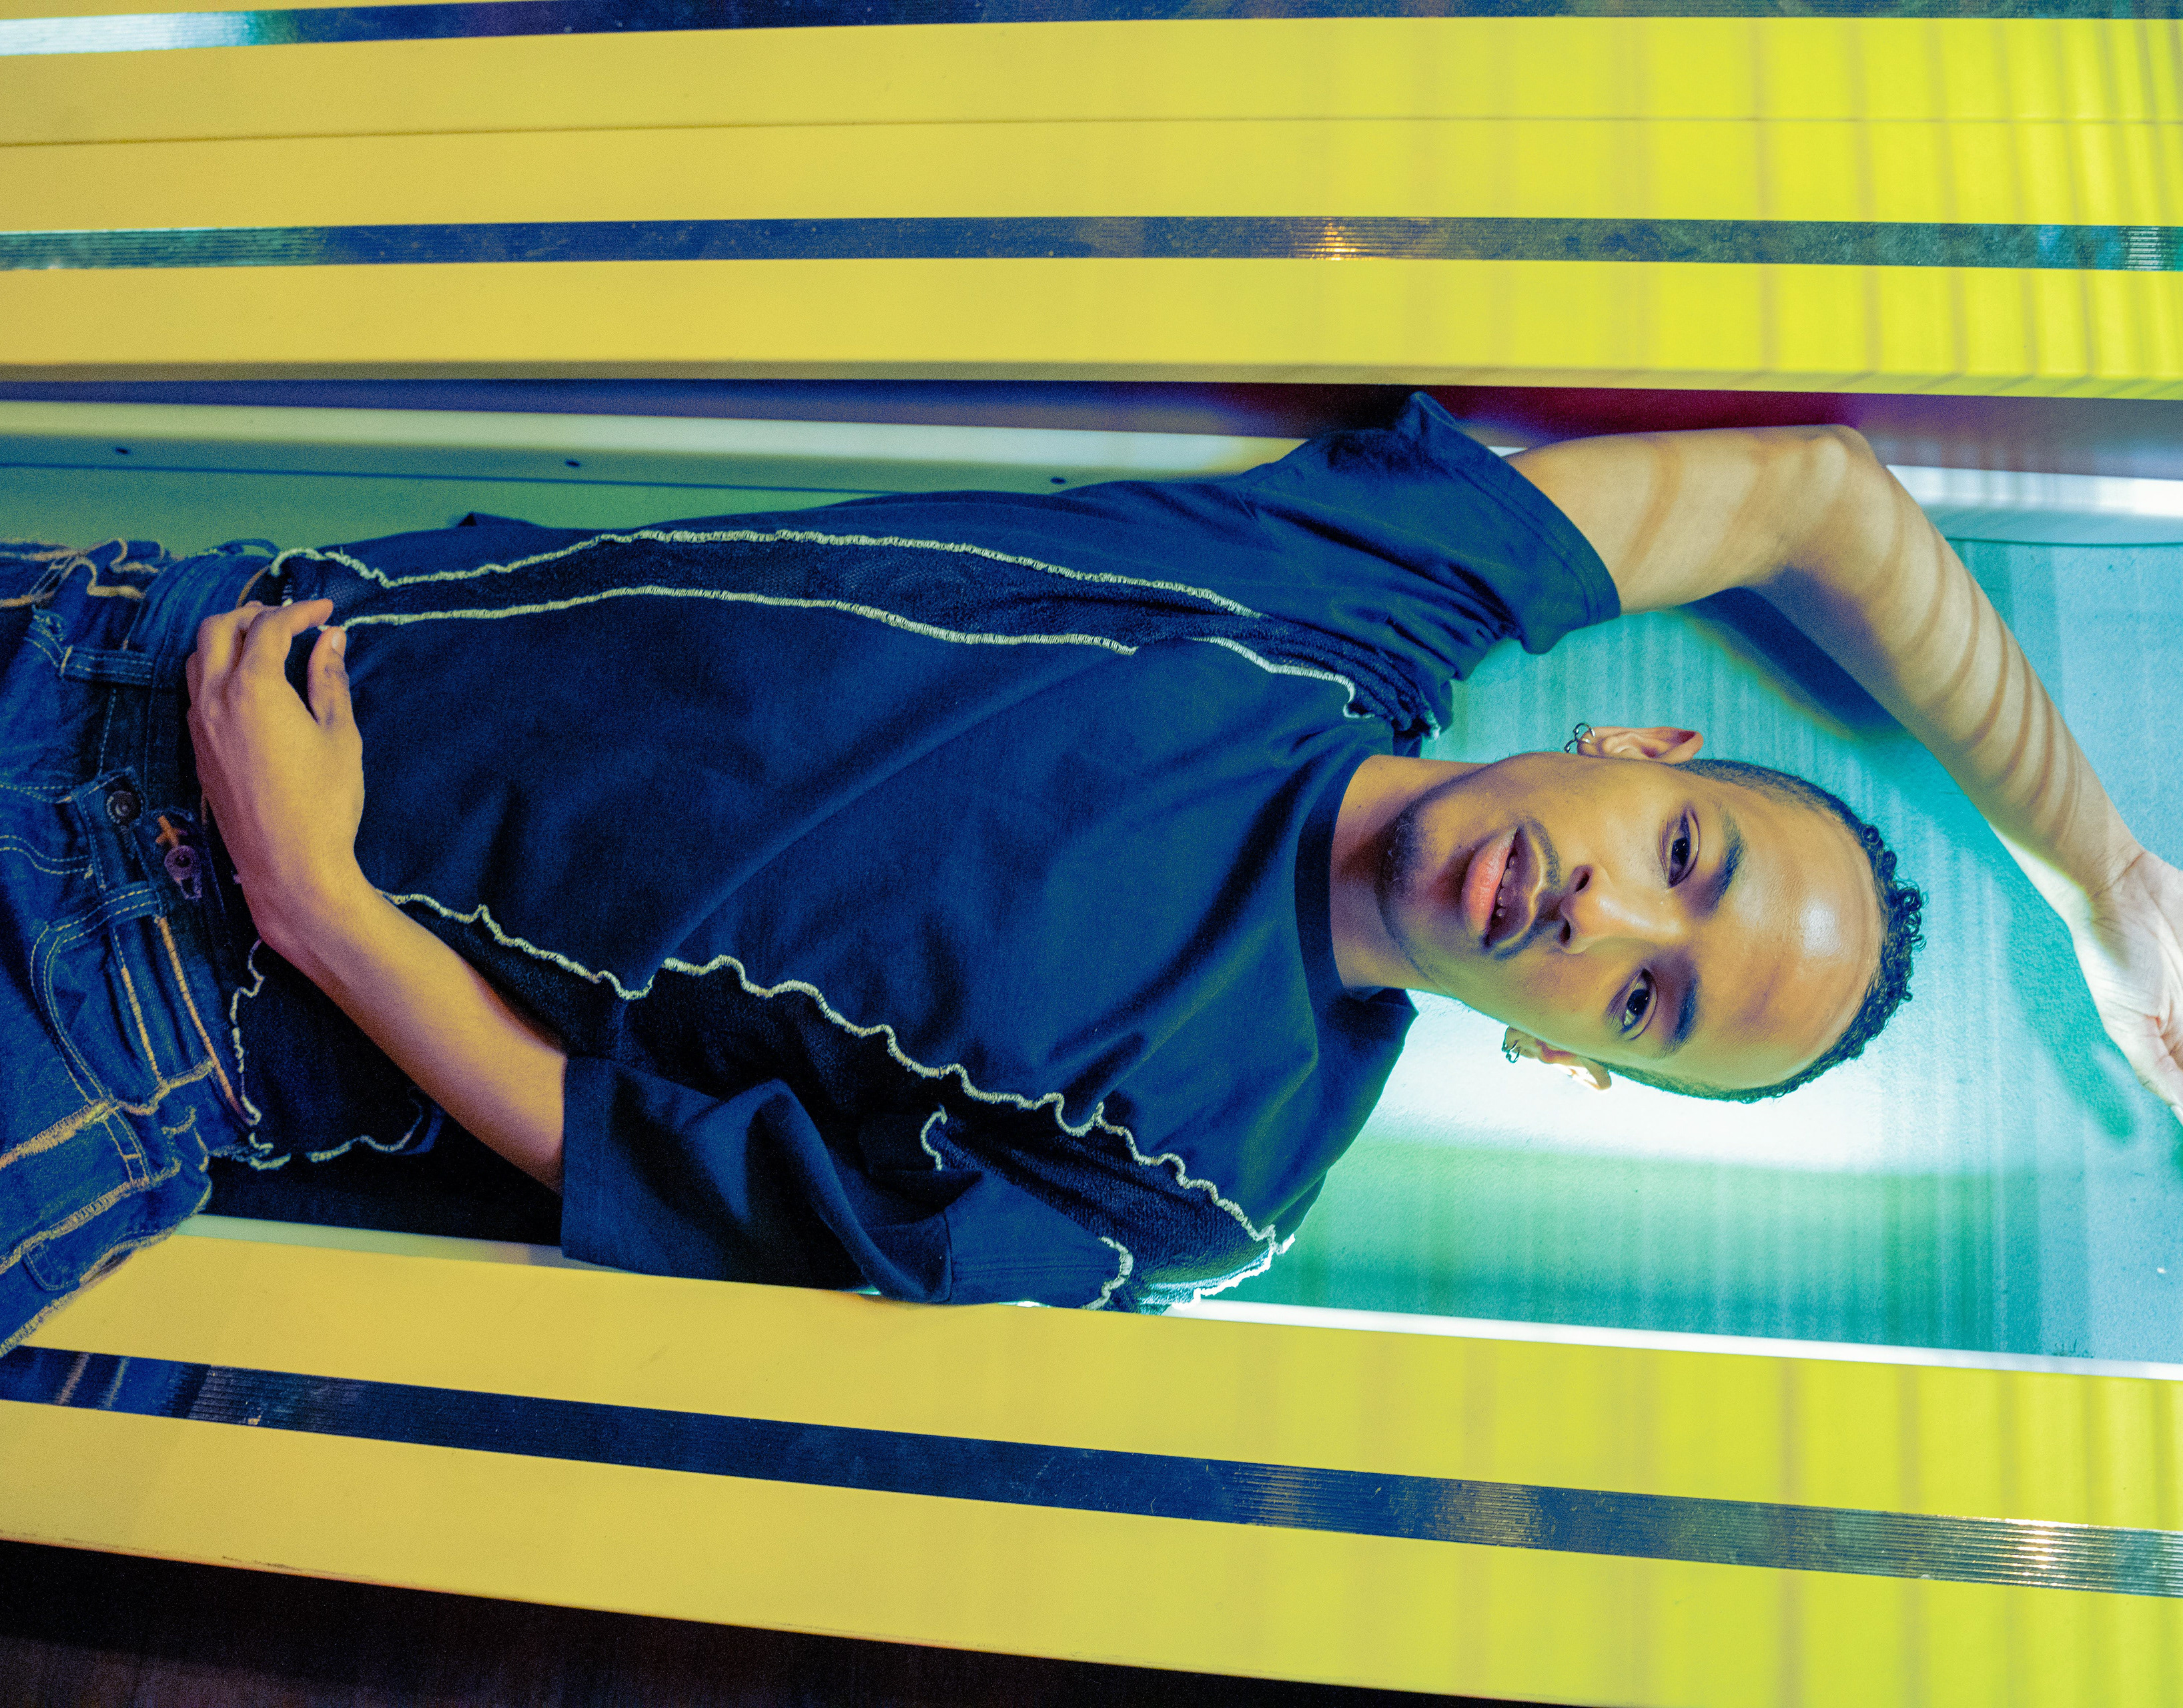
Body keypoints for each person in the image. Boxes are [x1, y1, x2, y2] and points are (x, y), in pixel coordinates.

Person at [3, 396, 2176, 1350]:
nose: (1605, 919)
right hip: (136, 635)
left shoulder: (1207, 1187)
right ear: (1638, 750)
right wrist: (2102, 886)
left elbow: (641, 1169)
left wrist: (317, 906)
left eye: (1645, 1002)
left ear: (1575, 1067)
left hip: (148, 1027)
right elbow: (1817, 498)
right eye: (1683, 860)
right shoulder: (1356, 598)